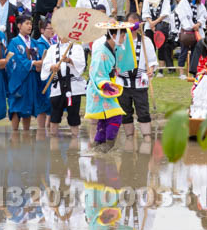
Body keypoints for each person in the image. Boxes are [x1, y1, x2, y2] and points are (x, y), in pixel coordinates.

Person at [85, 23, 132, 151]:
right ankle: (108, 145)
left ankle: (97, 146)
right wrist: (105, 84)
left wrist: (134, 27)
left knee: (105, 118)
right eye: (122, 36)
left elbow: (127, 50)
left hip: (107, 86)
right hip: (99, 88)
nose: (124, 39)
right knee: (116, 115)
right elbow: (96, 73)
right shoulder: (101, 52)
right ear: (114, 36)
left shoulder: (114, 48)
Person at [116, 13, 156, 139]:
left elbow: (152, 61)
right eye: (130, 23)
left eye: (135, 23)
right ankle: (129, 138)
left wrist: (151, 69)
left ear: (139, 24)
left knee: (143, 111)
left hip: (140, 82)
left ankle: (147, 138)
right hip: (123, 82)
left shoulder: (146, 41)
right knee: (125, 113)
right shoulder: (120, 41)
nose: (132, 26)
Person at [41, 29, 86, 134]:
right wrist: (52, 67)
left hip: (73, 87)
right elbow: (45, 64)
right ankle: (53, 142)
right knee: (54, 116)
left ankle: (75, 142)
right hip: (57, 87)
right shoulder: (52, 49)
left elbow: (81, 64)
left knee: (74, 116)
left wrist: (69, 60)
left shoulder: (77, 47)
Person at [7, 15, 45, 131]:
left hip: (32, 79)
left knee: (28, 108)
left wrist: (39, 65)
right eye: (27, 23)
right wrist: (33, 64)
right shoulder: (14, 42)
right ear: (19, 26)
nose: (30, 26)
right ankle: (14, 136)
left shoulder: (33, 43)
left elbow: (39, 58)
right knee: (16, 108)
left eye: (31, 24)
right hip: (19, 80)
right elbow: (15, 60)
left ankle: (26, 135)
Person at [174, 0, 207, 79]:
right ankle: (181, 72)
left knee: (195, 53)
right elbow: (182, 16)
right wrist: (191, 25)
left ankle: (194, 72)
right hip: (187, 31)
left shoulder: (200, 4)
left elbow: (204, 15)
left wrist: (199, 23)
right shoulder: (184, 2)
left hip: (197, 31)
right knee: (183, 52)